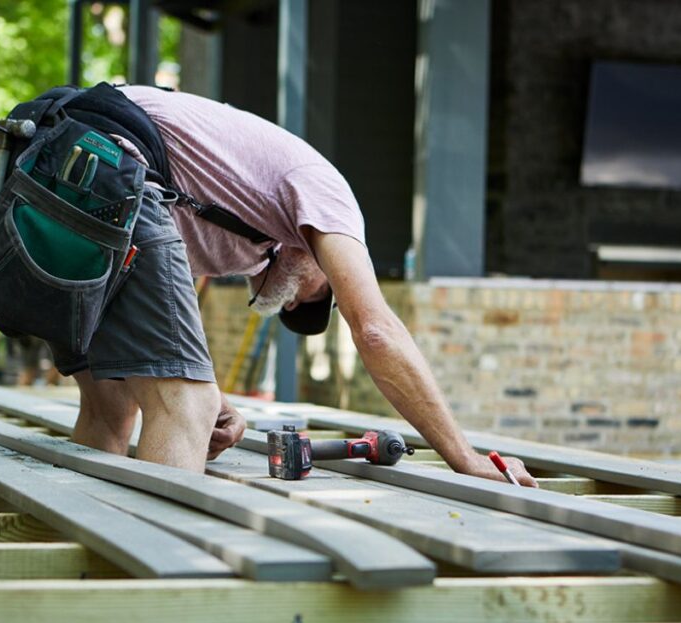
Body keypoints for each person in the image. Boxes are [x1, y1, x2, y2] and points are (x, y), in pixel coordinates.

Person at [63, 85, 537, 487]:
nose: (295, 302)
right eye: (321, 296)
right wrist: (466, 459)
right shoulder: (326, 191)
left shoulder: (216, 217)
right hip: (113, 166)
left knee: (112, 402)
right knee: (188, 405)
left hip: (55, 166)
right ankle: (160, 587)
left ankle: (89, 573)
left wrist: (213, 397)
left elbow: (156, 331)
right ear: (321, 260)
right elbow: (374, 330)